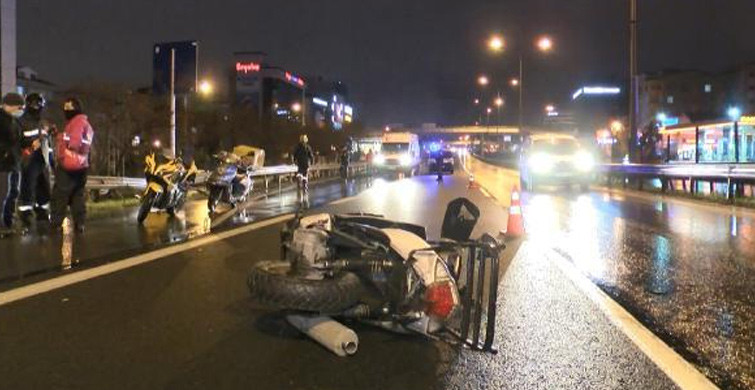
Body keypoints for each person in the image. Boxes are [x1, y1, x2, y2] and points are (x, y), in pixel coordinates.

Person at [50, 98, 94, 233]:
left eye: (68, 108)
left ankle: (56, 224)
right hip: (82, 165)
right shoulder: (85, 123)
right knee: (77, 195)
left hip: (69, 165)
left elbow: (73, 142)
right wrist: (58, 135)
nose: (66, 110)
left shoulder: (77, 123)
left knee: (60, 195)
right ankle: (80, 223)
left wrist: (68, 147)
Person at [18, 93, 54, 226]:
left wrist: (51, 159)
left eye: (38, 104)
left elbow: (47, 143)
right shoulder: (21, 122)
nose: (36, 106)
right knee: (28, 186)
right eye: (34, 104)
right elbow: (16, 141)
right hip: (28, 160)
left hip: (41, 160)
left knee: (43, 187)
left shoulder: (42, 123)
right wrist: (29, 145)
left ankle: (42, 211)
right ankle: (26, 213)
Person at [0, 93, 25, 231]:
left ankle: (8, 221)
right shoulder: (2, 120)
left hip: (14, 163)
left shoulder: (15, 121)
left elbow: (18, 140)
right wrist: (4, 152)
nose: (20, 109)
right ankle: (2, 223)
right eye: (19, 106)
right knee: (2, 193)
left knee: (13, 192)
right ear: (8, 105)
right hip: (3, 164)